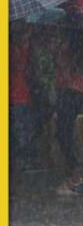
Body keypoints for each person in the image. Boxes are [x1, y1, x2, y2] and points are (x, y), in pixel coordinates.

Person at [53, 28, 83, 192]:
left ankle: (75, 173)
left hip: (67, 92)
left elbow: (63, 71)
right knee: (66, 133)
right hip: (79, 93)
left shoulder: (66, 49)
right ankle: (74, 172)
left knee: (64, 134)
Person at [10, 24, 39, 168]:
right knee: (22, 131)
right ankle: (21, 161)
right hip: (21, 96)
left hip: (18, 96)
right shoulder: (23, 49)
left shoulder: (15, 49)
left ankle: (18, 161)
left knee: (18, 131)